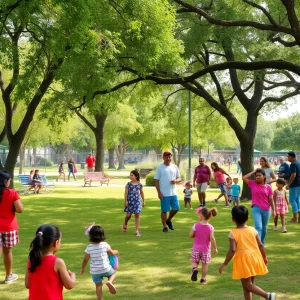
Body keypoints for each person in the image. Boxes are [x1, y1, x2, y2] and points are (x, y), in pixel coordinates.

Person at [219, 206, 277, 300]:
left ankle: (268, 296)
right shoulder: (252, 230)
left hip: (244, 261)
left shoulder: (233, 233)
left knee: (247, 285)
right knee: (249, 286)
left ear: (233, 219)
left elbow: (232, 250)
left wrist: (224, 264)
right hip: (254, 258)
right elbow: (261, 245)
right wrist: (264, 257)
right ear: (247, 218)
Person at [25, 224, 76, 299]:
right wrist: (72, 276)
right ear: (55, 243)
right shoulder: (58, 262)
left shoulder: (31, 260)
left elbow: (27, 284)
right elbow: (69, 285)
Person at [81, 225, 119, 299]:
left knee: (98, 285)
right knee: (113, 273)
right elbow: (111, 253)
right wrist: (116, 251)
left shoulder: (89, 247)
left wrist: (82, 268)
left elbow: (85, 260)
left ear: (91, 236)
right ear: (102, 235)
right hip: (105, 268)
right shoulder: (105, 245)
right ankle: (110, 282)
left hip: (95, 271)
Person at [0, 171, 24, 284]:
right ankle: (8, 275)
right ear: (6, 182)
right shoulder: (12, 193)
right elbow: (20, 209)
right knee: (7, 251)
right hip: (9, 227)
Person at [242, 168, 276, 246]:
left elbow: (271, 200)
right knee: (258, 226)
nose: (257, 177)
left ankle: (262, 242)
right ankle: (258, 244)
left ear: (264, 176)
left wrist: (274, 210)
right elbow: (244, 178)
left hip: (266, 210)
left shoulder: (268, 187)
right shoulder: (252, 183)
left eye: (259, 175)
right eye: (256, 176)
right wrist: (253, 171)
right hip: (256, 208)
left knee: (264, 228)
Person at [189, 207, 218, 284]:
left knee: (195, 261)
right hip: (206, 250)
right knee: (205, 265)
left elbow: (191, 235)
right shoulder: (211, 227)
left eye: (198, 215)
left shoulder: (196, 225)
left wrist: (195, 234)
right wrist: (215, 248)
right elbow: (212, 238)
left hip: (196, 249)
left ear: (201, 215)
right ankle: (203, 279)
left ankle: (195, 269)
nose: (198, 216)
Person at [154, 152, 181, 233]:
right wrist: (159, 192)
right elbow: (156, 180)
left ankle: (168, 220)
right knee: (164, 210)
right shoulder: (160, 168)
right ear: (163, 158)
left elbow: (179, 177)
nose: (168, 158)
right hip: (164, 193)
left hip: (173, 193)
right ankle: (165, 226)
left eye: (170, 157)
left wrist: (176, 180)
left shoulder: (174, 167)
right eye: (167, 157)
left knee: (176, 208)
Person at [123, 170, 145, 236]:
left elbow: (141, 193)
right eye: (130, 175)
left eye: (132, 175)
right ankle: (125, 223)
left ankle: (137, 230)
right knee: (128, 215)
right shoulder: (128, 184)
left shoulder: (139, 184)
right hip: (130, 201)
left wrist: (143, 201)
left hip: (137, 201)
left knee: (137, 215)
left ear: (136, 176)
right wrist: (125, 201)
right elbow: (126, 193)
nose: (131, 176)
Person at [286, 151, 300, 223]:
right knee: (297, 201)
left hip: (294, 185)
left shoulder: (293, 164)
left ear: (291, 157)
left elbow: (293, 175)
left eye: (288, 156)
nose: (287, 158)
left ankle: (295, 218)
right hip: (298, 184)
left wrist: (289, 184)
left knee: (292, 200)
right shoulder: (298, 162)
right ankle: (299, 218)